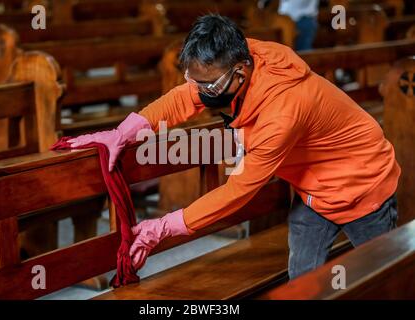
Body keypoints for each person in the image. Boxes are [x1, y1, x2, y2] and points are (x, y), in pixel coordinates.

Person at [69, 15, 400, 279]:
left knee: (380, 279)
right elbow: (185, 97)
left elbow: (238, 190)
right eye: (194, 80)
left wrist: (163, 227)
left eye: (207, 85)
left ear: (241, 71)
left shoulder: (282, 110)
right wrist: (124, 130)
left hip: (364, 186)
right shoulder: (240, 56)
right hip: (313, 192)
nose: (199, 91)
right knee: (303, 286)